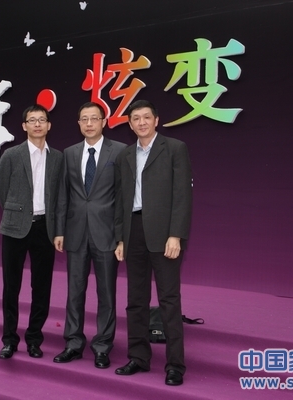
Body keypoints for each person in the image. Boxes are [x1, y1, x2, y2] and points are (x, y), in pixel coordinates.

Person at [113, 100, 192, 386]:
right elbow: (121, 200)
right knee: (136, 300)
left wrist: (176, 234)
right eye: (136, 118)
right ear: (130, 124)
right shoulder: (125, 155)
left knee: (169, 300)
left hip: (164, 233)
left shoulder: (175, 148)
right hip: (133, 231)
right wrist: (120, 237)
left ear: (156, 120)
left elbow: (182, 196)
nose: (142, 122)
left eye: (147, 117)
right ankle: (138, 357)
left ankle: (175, 365)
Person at [53, 102, 126, 368]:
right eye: (84, 119)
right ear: (79, 123)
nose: (89, 123)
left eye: (94, 118)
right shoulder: (69, 153)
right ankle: (73, 343)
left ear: (104, 122)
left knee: (106, 293)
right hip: (75, 233)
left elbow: (123, 197)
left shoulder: (119, 151)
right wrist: (59, 230)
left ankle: (102, 346)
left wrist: (121, 236)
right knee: (75, 291)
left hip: (106, 233)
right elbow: (63, 195)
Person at [0, 104, 63, 359]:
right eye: (32, 120)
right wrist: (18, 212)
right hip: (15, 227)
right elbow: (1, 189)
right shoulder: (11, 155)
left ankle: (34, 338)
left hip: (45, 227)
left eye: (41, 120)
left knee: (42, 286)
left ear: (49, 125)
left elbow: (60, 195)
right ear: (24, 126)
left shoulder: (58, 158)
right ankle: (9, 340)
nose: (37, 124)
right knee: (11, 286)